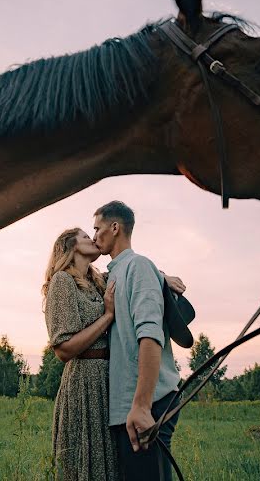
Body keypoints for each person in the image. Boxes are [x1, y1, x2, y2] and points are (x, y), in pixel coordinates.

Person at [43, 228, 187, 481]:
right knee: (85, 458)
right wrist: (108, 316)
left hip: (109, 382)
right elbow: (63, 349)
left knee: (112, 461)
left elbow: (131, 273)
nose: (94, 238)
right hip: (84, 381)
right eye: (87, 236)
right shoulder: (62, 281)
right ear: (70, 245)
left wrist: (161, 276)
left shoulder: (99, 280)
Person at [92, 200, 181, 481]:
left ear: (115, 227)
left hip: (147, 405)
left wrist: (142, 406)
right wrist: (162, 275)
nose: (94, 236)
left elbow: (150, 335)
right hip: (126, 407)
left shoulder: (138, 266)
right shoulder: (114, 274)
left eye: (97, 228)